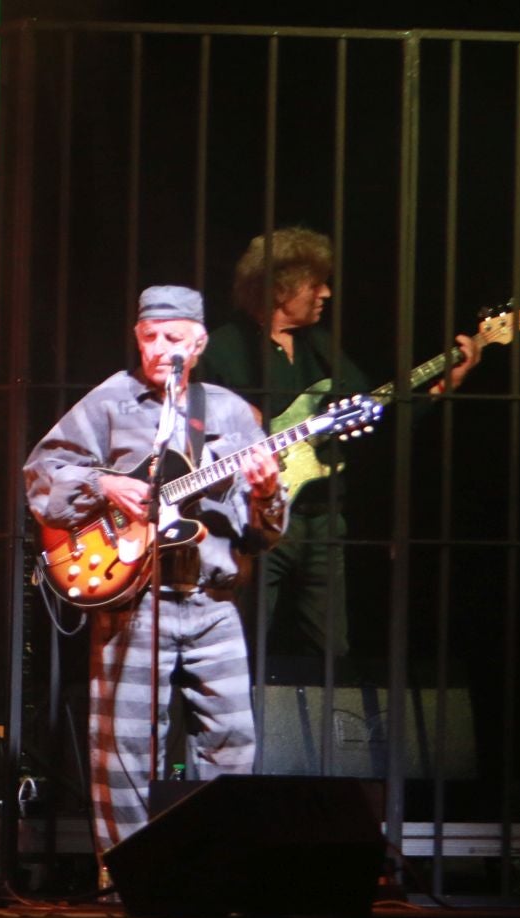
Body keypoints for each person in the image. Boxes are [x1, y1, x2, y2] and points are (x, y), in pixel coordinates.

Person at [25, 285, 286, 856]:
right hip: (133, 599)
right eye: (149, 337)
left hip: (213, 601)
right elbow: (42, 473)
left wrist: (267, 494)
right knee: (123, 749)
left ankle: (219, 865)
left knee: (233, 741)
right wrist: (103, 483)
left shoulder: (231, 413)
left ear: (198, 344)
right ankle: (125, 878)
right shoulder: (111, 401)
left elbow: (263, 532)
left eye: (172, 338)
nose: (158, 348)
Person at [195, 227, 480, 662]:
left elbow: (377, 412)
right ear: (279, 290)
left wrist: (443, 387)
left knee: (332, 649)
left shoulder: (323, 349)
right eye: (315, 285)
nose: (326, 293)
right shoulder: (222, 349)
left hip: (322, 517)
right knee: (246, 642)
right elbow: (187, 425)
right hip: (253, 517)